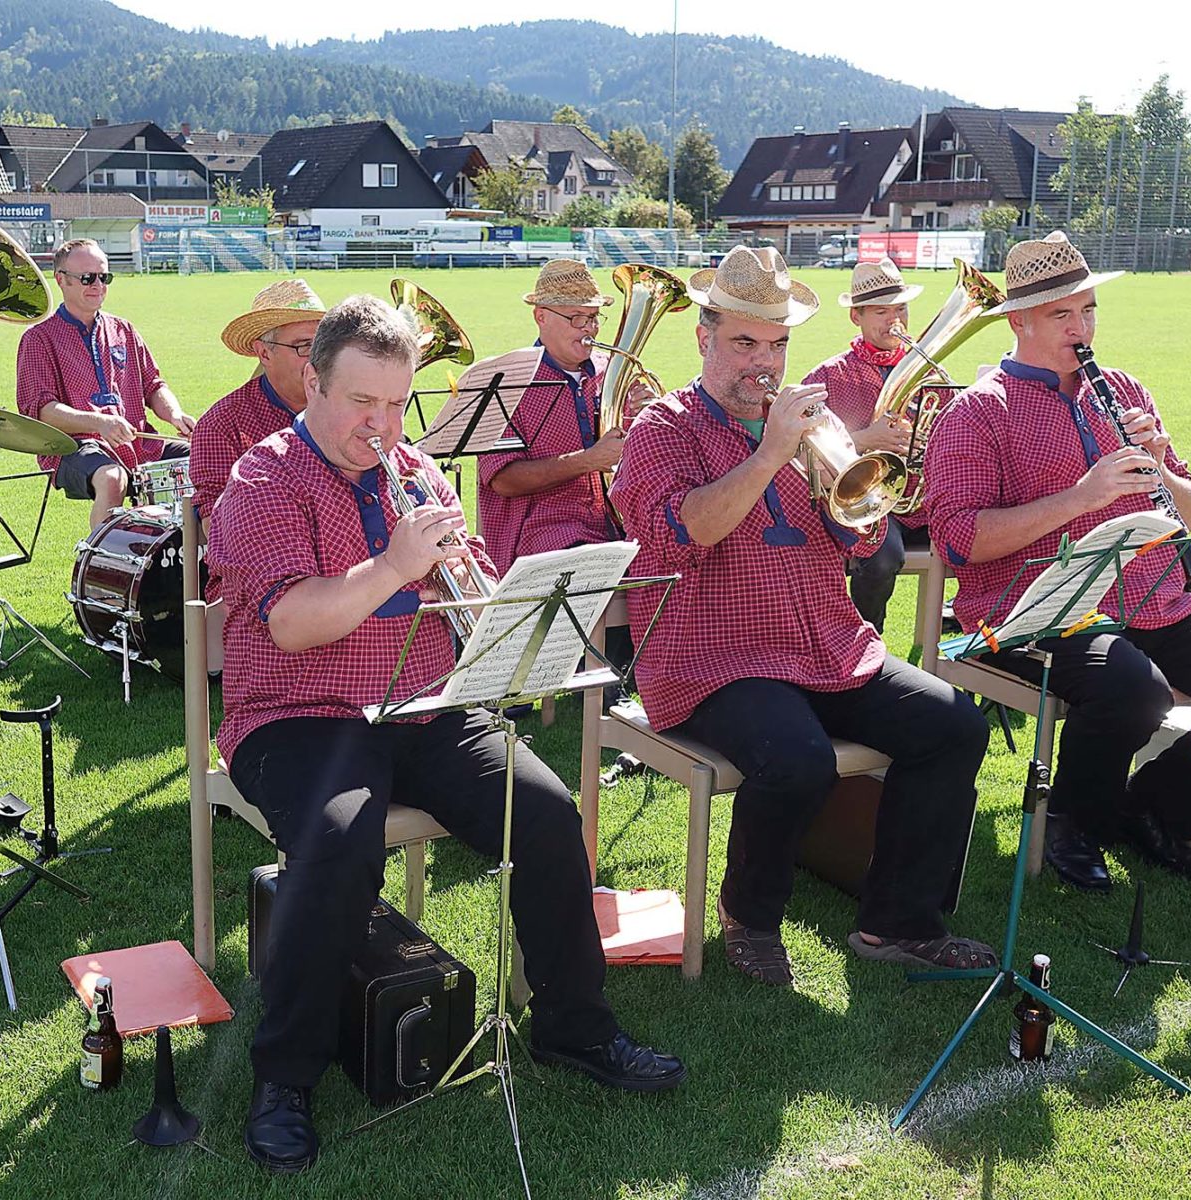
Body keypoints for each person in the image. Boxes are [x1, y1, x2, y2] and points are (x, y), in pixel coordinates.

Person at [207, 295, 683, 1176]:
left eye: (396, 404)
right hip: (301, 713)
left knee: (547, 814)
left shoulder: (418, 470)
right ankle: (285, 1075)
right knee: (338, 842)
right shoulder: (263, 479)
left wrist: (491, 600)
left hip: (426, 705)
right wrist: (395, 564)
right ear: (313, 381)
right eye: (362, 403)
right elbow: (291, 625)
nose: (383, 427)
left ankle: (575, 1028)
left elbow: (474, 594)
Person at [611, 247, 993, 987]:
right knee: (796, 760)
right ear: (703, 339)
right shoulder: (663, 427)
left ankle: (899, 922)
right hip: (714, 656)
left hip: (824, 642)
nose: (764, 363)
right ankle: (750, 916)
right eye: (745, 343)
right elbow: (679, 534)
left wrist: (857, 502)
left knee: (954, 727)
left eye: (778, 344)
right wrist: (769, 456)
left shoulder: (810, 425)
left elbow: (864, 541)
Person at [924, 231, 1191, 892]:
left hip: (1154, 597)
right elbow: (957, 539)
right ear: (1018, 320)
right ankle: (1076, 822)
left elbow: (1189, 513)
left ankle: (1154, 808)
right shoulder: (977, 413)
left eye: (1089, 309)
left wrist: (1162, 466)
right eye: (1062, 313)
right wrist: (1081, 497)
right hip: (1038, 609)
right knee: (1133, 690)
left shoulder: (1123, 389)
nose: (1082, 327)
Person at [16, 238, 196, 533]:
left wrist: (175, 414)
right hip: (73, 446)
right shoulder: (38, 339)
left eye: (104, 277)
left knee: (207, 458)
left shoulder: (124, 329)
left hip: (138, 441)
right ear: (61, 279)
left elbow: (153, 385)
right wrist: (99, 423)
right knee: (112, 478)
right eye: (88, 278)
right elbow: (41, 411)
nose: (98, 285)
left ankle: (197, 554)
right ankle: (100, 559)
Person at [476, 259, 624, 575]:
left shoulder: (612, 371)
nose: (589, 328)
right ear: (541, 316)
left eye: (594, 318)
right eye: (576, 318)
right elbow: (502, 480)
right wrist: (587, 460)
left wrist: (643, 417)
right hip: (540, 539)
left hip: (614, 528)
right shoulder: (507, 381)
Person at [799, 259, 922, 633]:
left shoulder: (925, 371)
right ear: (857, 317)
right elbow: (800, 445)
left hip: (922, 501)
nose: (895, 320)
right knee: (883, 559)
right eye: (881, 311)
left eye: (901, 309)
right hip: (864, 504)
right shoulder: (828, 376)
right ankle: (867, 637)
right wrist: (866, 440)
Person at [188, 278, 327, 535]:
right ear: (264, 354)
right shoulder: (222, 425)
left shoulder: (346, 408)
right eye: (304, 346)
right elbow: (217, 527)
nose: (319, 358)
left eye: (323, 345)